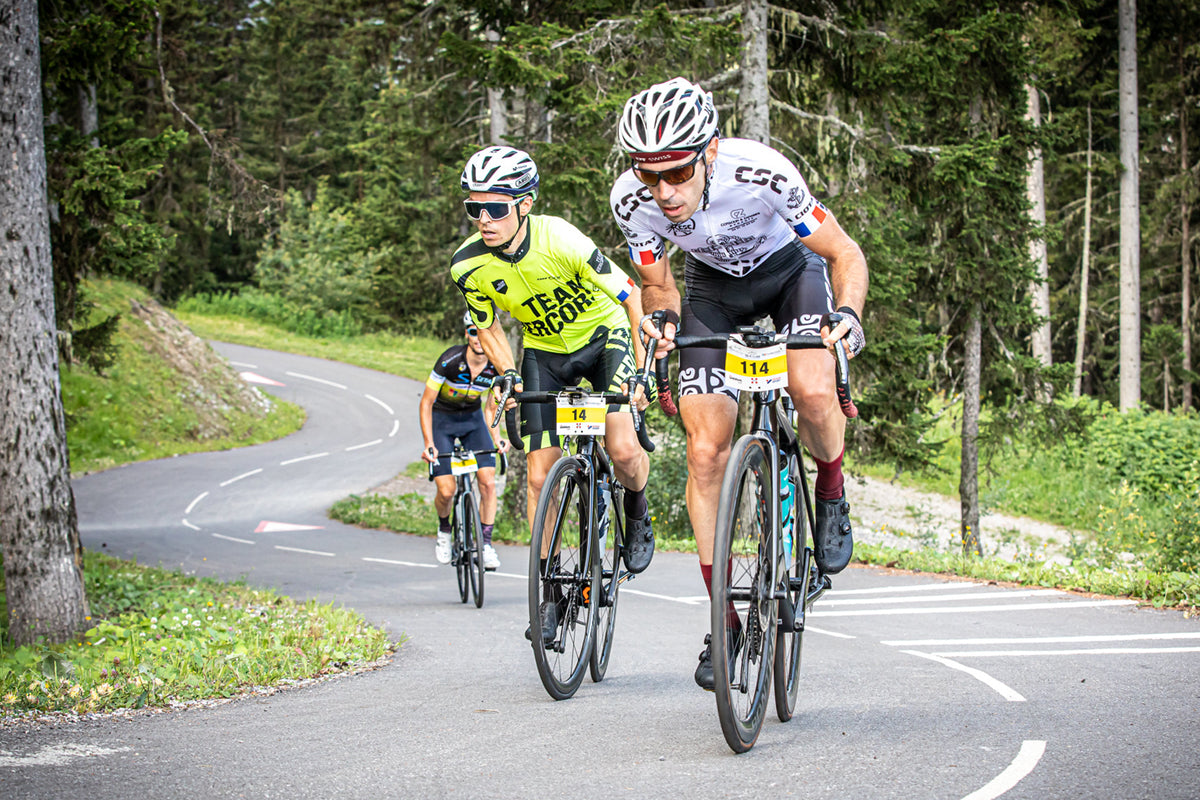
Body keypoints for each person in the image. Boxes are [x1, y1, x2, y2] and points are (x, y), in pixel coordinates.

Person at [611, 77, 868, 690]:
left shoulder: (764, 173)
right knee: (705, 451)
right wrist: (662, 316)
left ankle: (830, 491)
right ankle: (724, 619)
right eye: (651, 176)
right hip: (711, 291)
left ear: (710, 151)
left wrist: (850, 316)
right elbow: (657, 284)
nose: (665, 192)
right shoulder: (632, 200)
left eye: (677, 172)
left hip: (790, 273)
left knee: (810, 387)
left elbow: (846, 254)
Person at [450, 145, 656, 641]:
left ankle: (637, 505)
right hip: (545, 352)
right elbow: (490, 329)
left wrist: (642, 371)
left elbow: (630, 295)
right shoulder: (467, 265)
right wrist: (507, 376)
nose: (483, 218)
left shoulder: (559, 236)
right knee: (540, 476)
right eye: (474, 208)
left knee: (624, 447)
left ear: (524, 204)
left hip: (603, 337)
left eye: (495, 207)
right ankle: (547, 596)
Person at [419, 312, 508, 570]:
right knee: (446, 491)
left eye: (481, 332)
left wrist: (498, 438)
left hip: (472, 422)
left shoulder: (495, 365)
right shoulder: (449, 360)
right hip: (442, 422)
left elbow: (491, 408)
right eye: (472, 331)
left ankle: (487, 544)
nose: (478, 337)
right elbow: (426, 403)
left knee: (488, 483)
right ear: (466, 334)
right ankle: (444, 531)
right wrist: (428, 443)